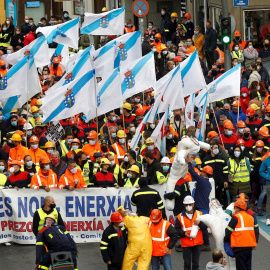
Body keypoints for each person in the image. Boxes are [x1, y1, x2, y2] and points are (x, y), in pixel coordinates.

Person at [224, 199, 258, 270]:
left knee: (241, 267)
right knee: (247, 266)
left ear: (237, 208)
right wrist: (254, 244)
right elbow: (254, 231)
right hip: (249, 246)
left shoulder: (236, 217)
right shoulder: (250, 217)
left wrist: (226, 242)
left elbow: (228, 230)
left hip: (239, 246)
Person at [175, 195, 208, 270]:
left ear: (193, 204)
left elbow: (205, 227)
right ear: (184, 205)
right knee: (187, 264)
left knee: (196, 264)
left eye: (190, 204)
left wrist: (199, 223)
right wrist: (183, 234)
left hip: (197, 243)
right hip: (186, 244)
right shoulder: (179, 217)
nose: (188, 206)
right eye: (186, 204)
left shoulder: (200, 214)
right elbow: (176, 229)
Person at [202, 141, 228, 206]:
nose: (217, 149)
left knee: (220, 200)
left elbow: (225, 170)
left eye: (217, 148)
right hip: (209, 184)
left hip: (220, 183)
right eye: (215, 147)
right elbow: (202, 172)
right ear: (211, 149)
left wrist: (225, 180)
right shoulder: (205, 160)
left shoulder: (222, 158)